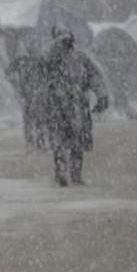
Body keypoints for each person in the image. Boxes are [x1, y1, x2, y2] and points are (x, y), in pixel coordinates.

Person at [41, 28, 109, 186]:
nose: (64, 43)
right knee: (63, 141)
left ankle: (71, 173)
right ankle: (63, 172)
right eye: (61, 40)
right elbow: (42, 78)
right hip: (61, 106)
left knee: (73, 142)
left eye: (66, 40)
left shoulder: (80, 58)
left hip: (75, 105)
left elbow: (94, 77)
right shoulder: (52, 58)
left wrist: (101, 95)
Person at [6, 40, 47, 152]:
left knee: (38, 120)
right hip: (27, 95)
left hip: (36, 95)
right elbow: (8, 72)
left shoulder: (39, 61)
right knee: (31, 120)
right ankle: (32, 143)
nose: (32, 50)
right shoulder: (21, 61)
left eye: (33, 47)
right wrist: (16, 85)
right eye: (30, 47)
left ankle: (39, 142)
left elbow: (46, 75)